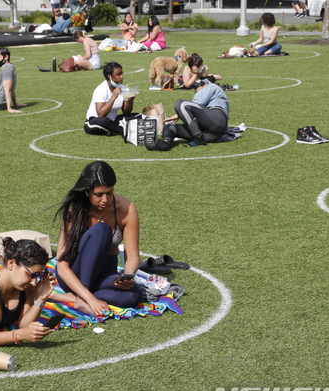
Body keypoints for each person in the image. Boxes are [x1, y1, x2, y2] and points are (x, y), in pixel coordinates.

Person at [54, 161, 142, 315]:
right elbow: (62, 266)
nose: (105, 200)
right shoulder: (75, 210)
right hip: (75, 272)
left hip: (105, 271)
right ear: (87, 191)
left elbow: (133, 256)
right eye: (99, 195)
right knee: (102, 230)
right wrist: (90, 299)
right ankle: (84, 296)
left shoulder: (127, 209)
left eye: (110, 192)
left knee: (133, 294)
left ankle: (72, 297)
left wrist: (128, 276)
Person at [148, 79, 229, 151]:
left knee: (180, 104)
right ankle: (164, 142)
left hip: (217, 119)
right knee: (170, 126)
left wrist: (179, 114)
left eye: (198, 91)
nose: (197, 93)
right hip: (210, 135)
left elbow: (196, 103)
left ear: (204, 84)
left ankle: (198, 139)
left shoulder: (211, 86)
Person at [84, 62, 137, 136]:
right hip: (95, 122)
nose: (121, 76)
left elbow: (126, 112)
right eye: (118, 74)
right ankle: (124, 129)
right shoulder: (101, 89)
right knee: (104, 122)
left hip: (113, 121)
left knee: (136, 116)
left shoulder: (121, 87)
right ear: (109, 76)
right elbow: (100, 114)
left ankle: (115, 129)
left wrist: (130, 101)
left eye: (122, 74)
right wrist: (113, 97)